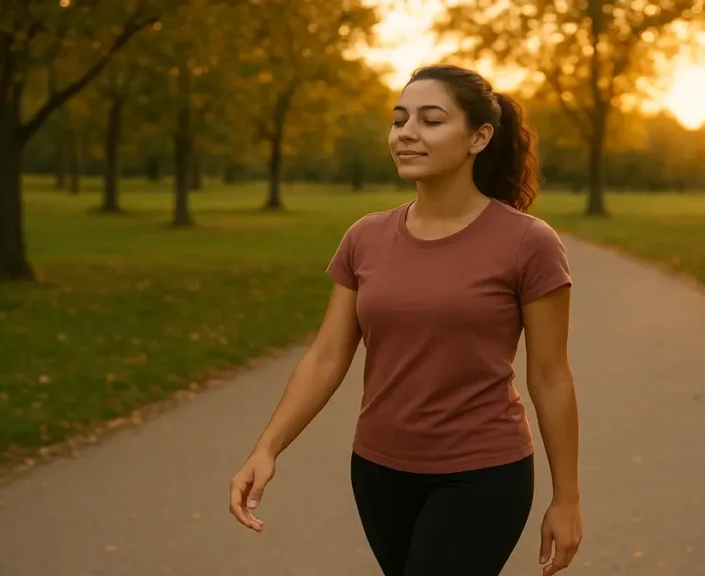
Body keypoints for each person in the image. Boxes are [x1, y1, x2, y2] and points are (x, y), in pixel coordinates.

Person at [228, 63, 582, 576]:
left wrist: (566, 499)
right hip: (378, 471)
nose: (407, 133)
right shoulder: (365, 238)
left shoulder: (528, 242)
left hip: (483, 472)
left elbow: (551, 376)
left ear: (479, 137)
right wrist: (267, 448)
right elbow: (326, 356)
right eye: (399, 120)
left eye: (431, 120)